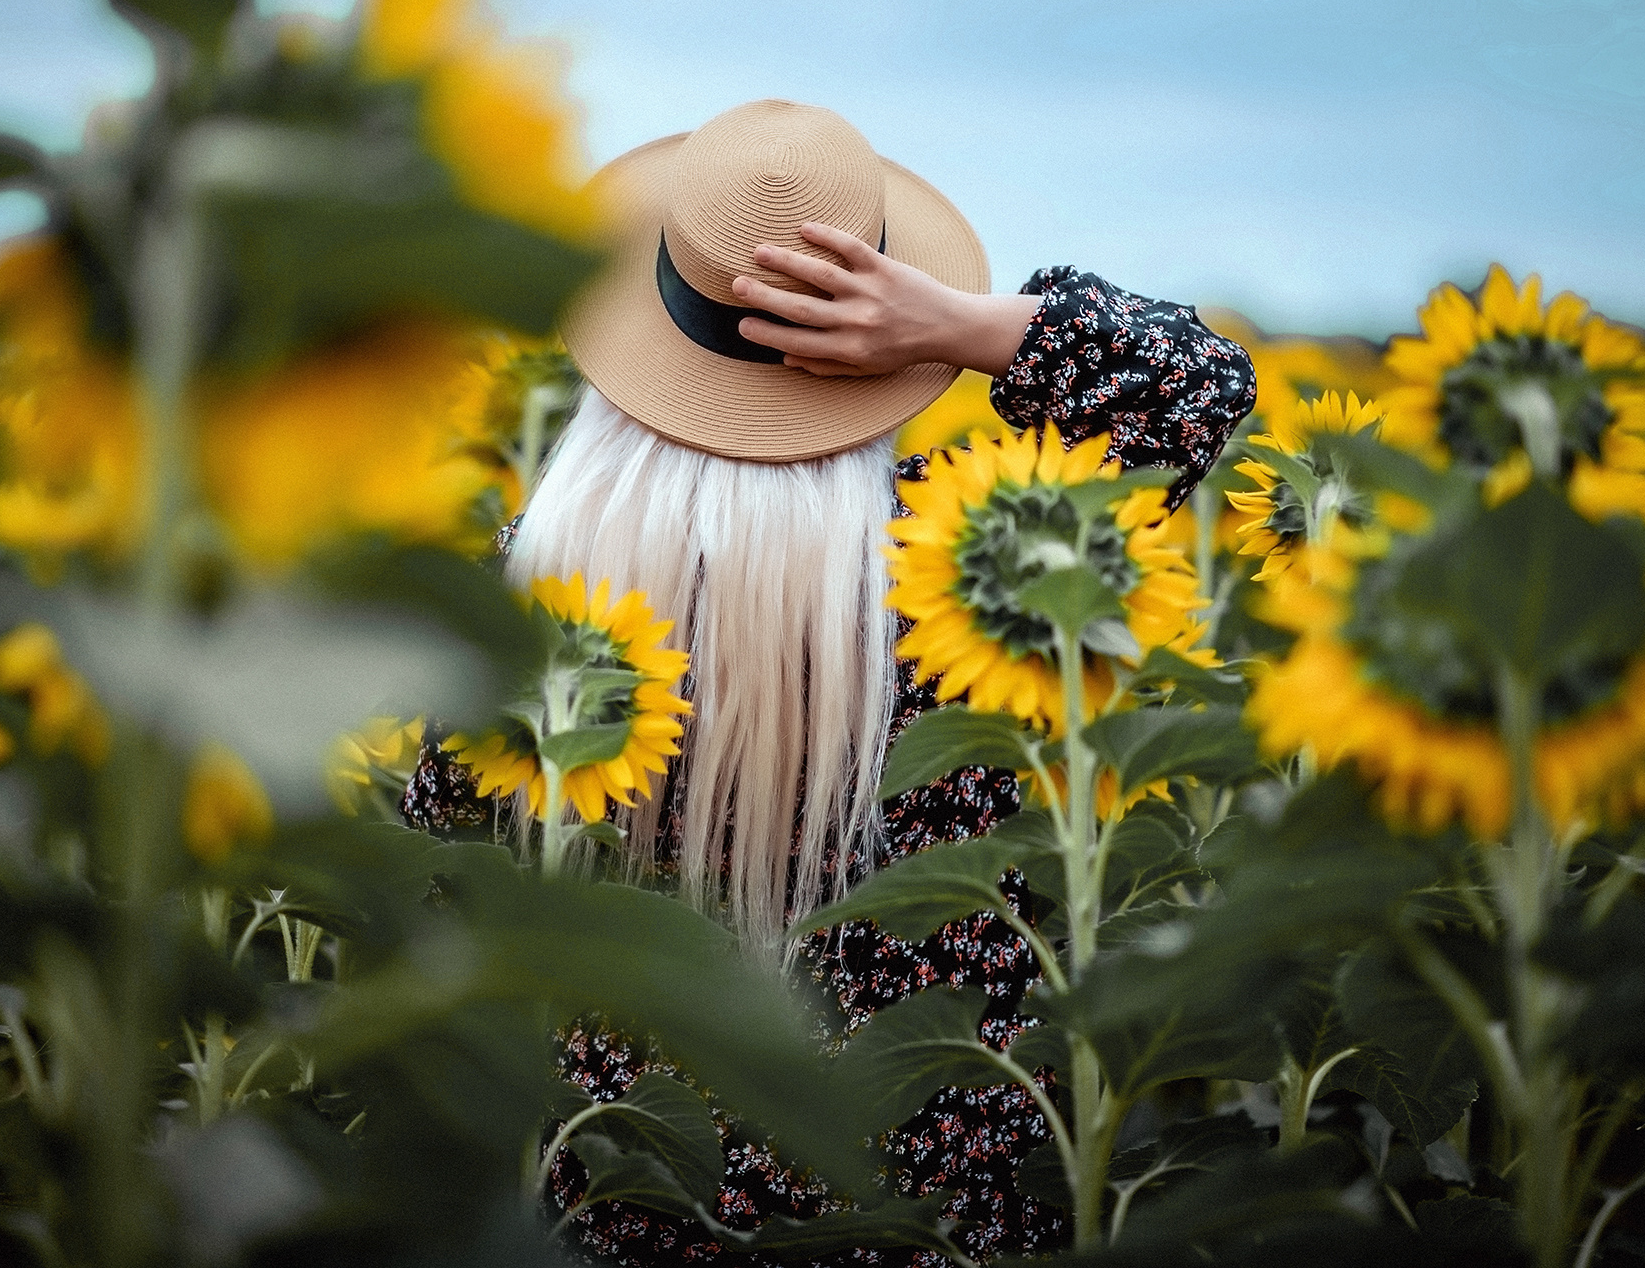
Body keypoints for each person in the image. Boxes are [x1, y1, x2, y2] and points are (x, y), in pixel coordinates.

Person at [402, 99, 1256, 1264]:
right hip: (924, 1216)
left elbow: (437, 873)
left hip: (622, 1206)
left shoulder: (535, 588)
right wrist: (958, 327)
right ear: (880, 329)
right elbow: (1198, 386)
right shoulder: (968, 571)